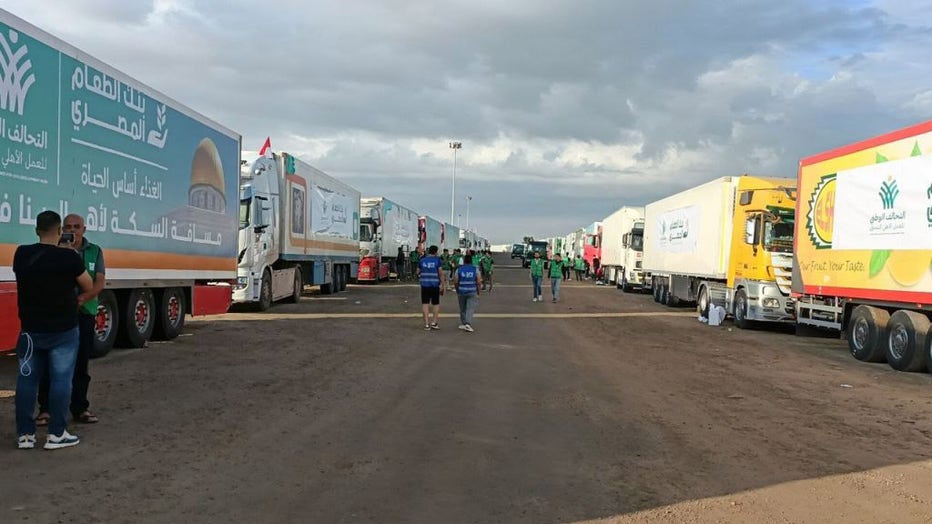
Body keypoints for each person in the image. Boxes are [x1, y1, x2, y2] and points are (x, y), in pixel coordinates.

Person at [14, 210, 94, 450]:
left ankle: (25, 435)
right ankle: (56, 434)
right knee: (61, 380)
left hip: (30, 330)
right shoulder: (70, 258)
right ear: (60, 231)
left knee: (27, 381)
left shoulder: (22, 253)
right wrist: (69, 256)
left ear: (36, 230)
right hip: (63, 331)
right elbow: (88, 285)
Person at [36, 214, 105, 427]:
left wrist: (84, 298)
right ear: (60, 230)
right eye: (68, 227)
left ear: (84, 229)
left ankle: (80, 407)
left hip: (84, 313)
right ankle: (46, 409)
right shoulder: (54, 251)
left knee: (80, 364)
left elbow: (99, 282)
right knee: (50, 364)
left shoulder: (94, 251)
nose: (72, 230)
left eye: (77, 227)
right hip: (59, 315)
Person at [417, 245, 444, 331]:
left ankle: (426, 324)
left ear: (429, 251)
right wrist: (442, 284)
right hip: (435, 285)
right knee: (435, 304)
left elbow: (417, 272)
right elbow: (440, 273)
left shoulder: (422, 260)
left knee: (425, 304)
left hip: (424, 285)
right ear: (436, 252)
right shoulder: (437, 260)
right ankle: (434, 323)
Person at [454, 254, 482, 332]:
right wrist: (478, 291)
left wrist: (457, 290)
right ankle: (468, 324)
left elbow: (455, 281)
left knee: (462, 308)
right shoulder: (475, 269)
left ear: (464, 261)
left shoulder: (459, 269)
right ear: (471, 261)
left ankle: (464, 323)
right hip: (472, 291)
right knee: (470, 308)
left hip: (461, 291)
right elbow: (479, 281)